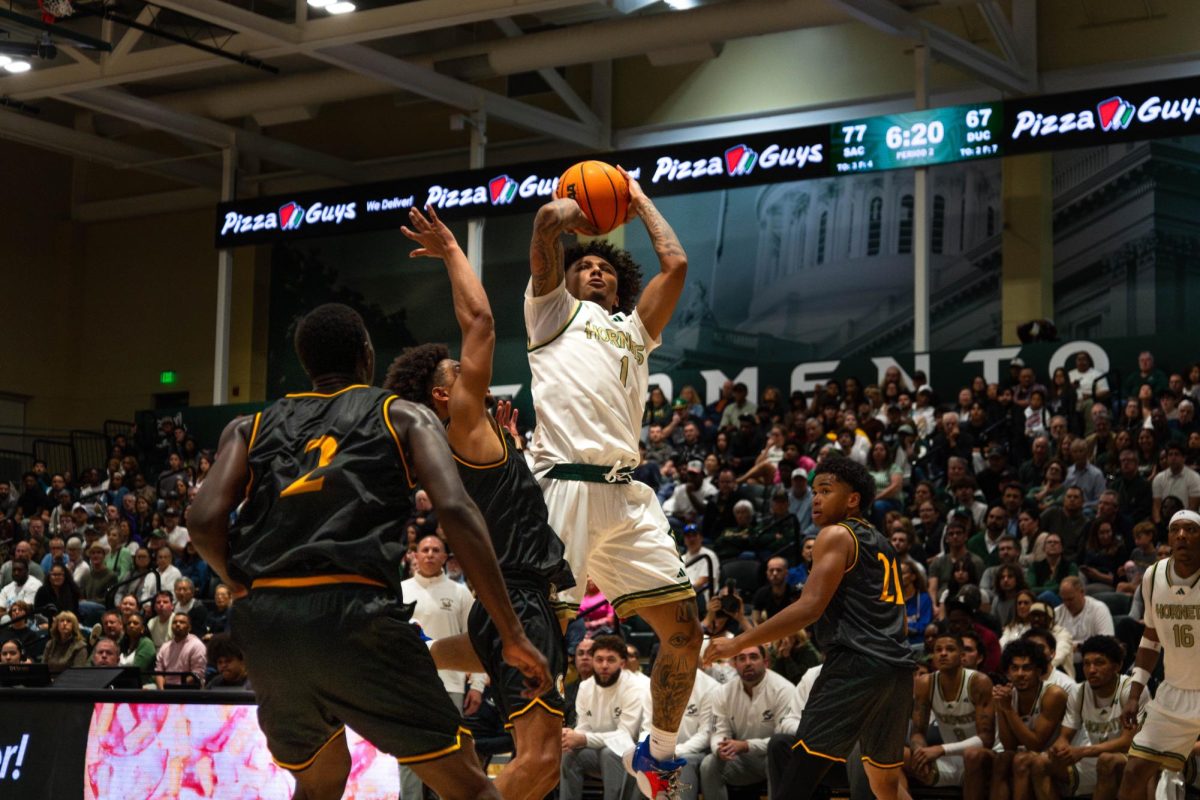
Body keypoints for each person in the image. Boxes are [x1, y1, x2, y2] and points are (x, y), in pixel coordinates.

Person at [189, 303, 549, 800]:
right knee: (468, 785)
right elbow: (455, 509)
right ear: (366, 353)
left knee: (319, 781)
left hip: (267, 621)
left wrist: (238, 583)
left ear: (306, 362)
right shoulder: (401, 414)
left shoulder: (247, 427)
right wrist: (512, 633)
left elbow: (202, 521)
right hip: (353, 613)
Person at [384, 205, 575, 800]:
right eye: (458, 373)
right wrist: (450, 250)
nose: (472, 375)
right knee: (539, 763)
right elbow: (483, 322)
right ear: (444, 395)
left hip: (495, 607)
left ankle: (411, 658)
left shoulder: (461, 444)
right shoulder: (461, 424)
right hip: (515, 599)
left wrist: (511, 453)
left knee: (542, 766)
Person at [525, 175, 702, 796]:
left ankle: (658, 755)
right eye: (584, 265)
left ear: (619, 285)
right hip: (562, 489)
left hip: (626, 495)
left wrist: (635, 197)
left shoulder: (634, 330)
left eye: (604, 266)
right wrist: (565, 216)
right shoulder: (551, 313)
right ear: (566, 278)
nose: (595, 269)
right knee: (541, 644)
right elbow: (544, 228)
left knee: (684, 630)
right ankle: (530, 756)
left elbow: (676, 265)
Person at [703, 456, 916, 800]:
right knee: (884, 783)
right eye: (815, 491)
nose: (816, 498)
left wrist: (737, 641)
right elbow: (901, 621)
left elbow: (809, 608)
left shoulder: (836, 534)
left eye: (826, 491)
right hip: (897, 670)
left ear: (853, 499)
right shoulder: (883, 544)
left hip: (855, 664)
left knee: (797, 776)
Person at [1116, 509, 1200, 799]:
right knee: (1134, 771)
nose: (1182, 535)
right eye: (1175, 530)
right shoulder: (1153, 576)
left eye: (1191, 529)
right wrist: (1134, 694)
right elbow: (1151, 638)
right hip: (1173, 694)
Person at [1029, 636, 1146, 800]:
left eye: (1099, 663)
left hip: (1134, 760)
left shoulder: (1132, 690)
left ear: (1117, 666)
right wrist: (1059, 749)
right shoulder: (1079, 692)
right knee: (1039, 763)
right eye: (1086, 663)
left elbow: (1128, 742)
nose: (1091, 670)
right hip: (1096, 758)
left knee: (1107, 760)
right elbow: (1065, 737)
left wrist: (1083, 751)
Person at [903, 632, 995, 800]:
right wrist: (919, 752)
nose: (943, 653)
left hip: (985, 759)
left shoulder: (979, 682)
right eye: (938, 650)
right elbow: (917, 733)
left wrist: (941, 749)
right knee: (896, 754)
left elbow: (986, 739)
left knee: (972, 755)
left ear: (962, 656)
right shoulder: (925, 684)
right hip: (951, 760)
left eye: (950, 649)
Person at [700, 645, 795, 800]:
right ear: (734, 664)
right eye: (742, 658)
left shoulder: (784, 690)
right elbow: (718, 732)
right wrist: (720, 749)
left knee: (777, 756)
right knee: (709, 764)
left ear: (766, 662)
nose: (748, 663)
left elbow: (784, 741)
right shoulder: (723, 692)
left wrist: (746, 745)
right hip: (742, 761)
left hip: (773, 758)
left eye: (753, 657)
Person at [560, 635, 646, 800]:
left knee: (610, 753)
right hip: (597, 750)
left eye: (611, 660)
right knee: (568, 753)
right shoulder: (585, 687)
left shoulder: (635, 687)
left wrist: (583, 739)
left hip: (632, 753)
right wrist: (570, 737)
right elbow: (584, 727)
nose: (604, 665)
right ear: (593, 661)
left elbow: (625, 735)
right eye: (599, 660)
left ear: (622, 663)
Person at [990, 639, 1069, 800]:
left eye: (1027, 668)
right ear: (1007, 672)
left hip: (1063, 757)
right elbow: (1009, 745)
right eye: (1014, 668)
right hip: (1034, 755)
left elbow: (1036, 744)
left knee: (1022, 760)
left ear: (1039, 671)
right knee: (1001, 759)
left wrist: (1008, 709)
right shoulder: (1007, 695)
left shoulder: (1053, 694)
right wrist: (1001, 706)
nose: (1020, 674)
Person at [154, 612, 206, 688]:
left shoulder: (197, 645)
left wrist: (177, 689)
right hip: (166, 689)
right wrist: (162, 691)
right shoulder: (165, 646)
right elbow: (159, 672)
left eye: (182, 622)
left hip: (189, 689)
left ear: (189, 627)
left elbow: (198, 673)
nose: (178, 624)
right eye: (174, 622)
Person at [751, 557, 800, 624]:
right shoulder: (761, 593)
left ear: (786, 573)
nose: (774, 573)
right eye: (771, 570)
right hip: (769, 629)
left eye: (779, 570)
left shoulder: (796, 592)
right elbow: (756, 620)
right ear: (767, 573)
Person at [41, 610, 89, 674]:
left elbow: (78, 673)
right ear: (57, 625)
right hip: (49, 679)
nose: (65, 623)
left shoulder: (80, 646)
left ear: (74, 626)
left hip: (70, 679)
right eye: (62, 621)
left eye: (69, 621)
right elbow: (42, 667)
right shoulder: (50, 644)